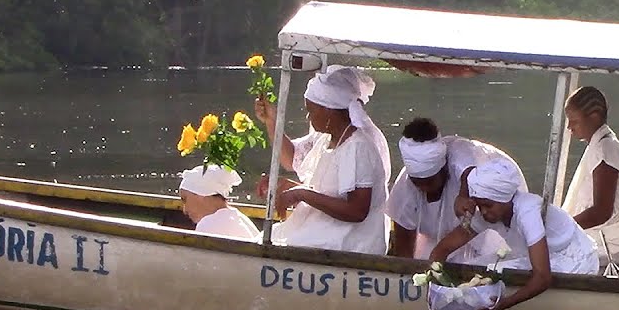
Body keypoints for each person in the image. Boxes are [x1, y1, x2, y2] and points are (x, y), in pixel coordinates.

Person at [429, 158, 599, 310]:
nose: (484, 211)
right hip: (535, 256)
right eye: (480, 205)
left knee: (495, 272)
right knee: (474, 267)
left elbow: (543, 277)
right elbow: (443, 248)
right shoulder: (487, 213)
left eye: (488, 205)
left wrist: (503, 306)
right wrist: (437, 282)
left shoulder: (528, 211)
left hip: (576, 259)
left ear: (505, 199)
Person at [253, 65, 390, 254]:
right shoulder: (327, 138)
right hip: (323, 233)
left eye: (312, 110)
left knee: (271, 243)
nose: (308, 117)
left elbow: (357, 210)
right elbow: (298, 165)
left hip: (348, 244)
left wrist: (300, 193)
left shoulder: (358, 146)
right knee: (263, 239)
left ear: (330, 112)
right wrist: (290, 187)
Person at [387, 117, 525, 262]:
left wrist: (463, 195)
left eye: (429, 182)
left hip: (486, 228)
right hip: (438, 237)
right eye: (418, 183)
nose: (424, 189)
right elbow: (403, 232)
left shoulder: (462, 155)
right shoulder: (406, 186)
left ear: (443, 168)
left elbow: (469, 171)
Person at [560, 86, 619, 267]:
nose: (569, 127)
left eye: (574, 121)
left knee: (542, 255)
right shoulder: (600, 145)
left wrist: (562, 227)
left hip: (613, 246)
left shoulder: (606, 149)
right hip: (612, 238)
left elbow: (601, 212)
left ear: (594, 117)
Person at [178, 164, 260, 241]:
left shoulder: (209, 224)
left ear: (202, 194)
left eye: (185, 199)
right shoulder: (240, 217)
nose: (185, 210)